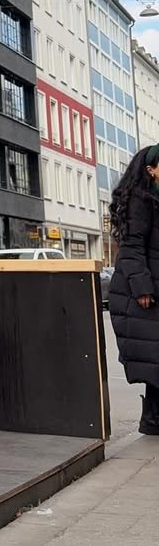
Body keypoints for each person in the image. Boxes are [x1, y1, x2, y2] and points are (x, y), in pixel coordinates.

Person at [109, 146, 159, 434]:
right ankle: (152, 420)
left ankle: (152, 421)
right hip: (143, 295)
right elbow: (131, 249)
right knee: (154, 359)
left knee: (155, 361)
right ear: (150, 169)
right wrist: (142, 288)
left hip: (151, 290)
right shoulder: (140, 201)